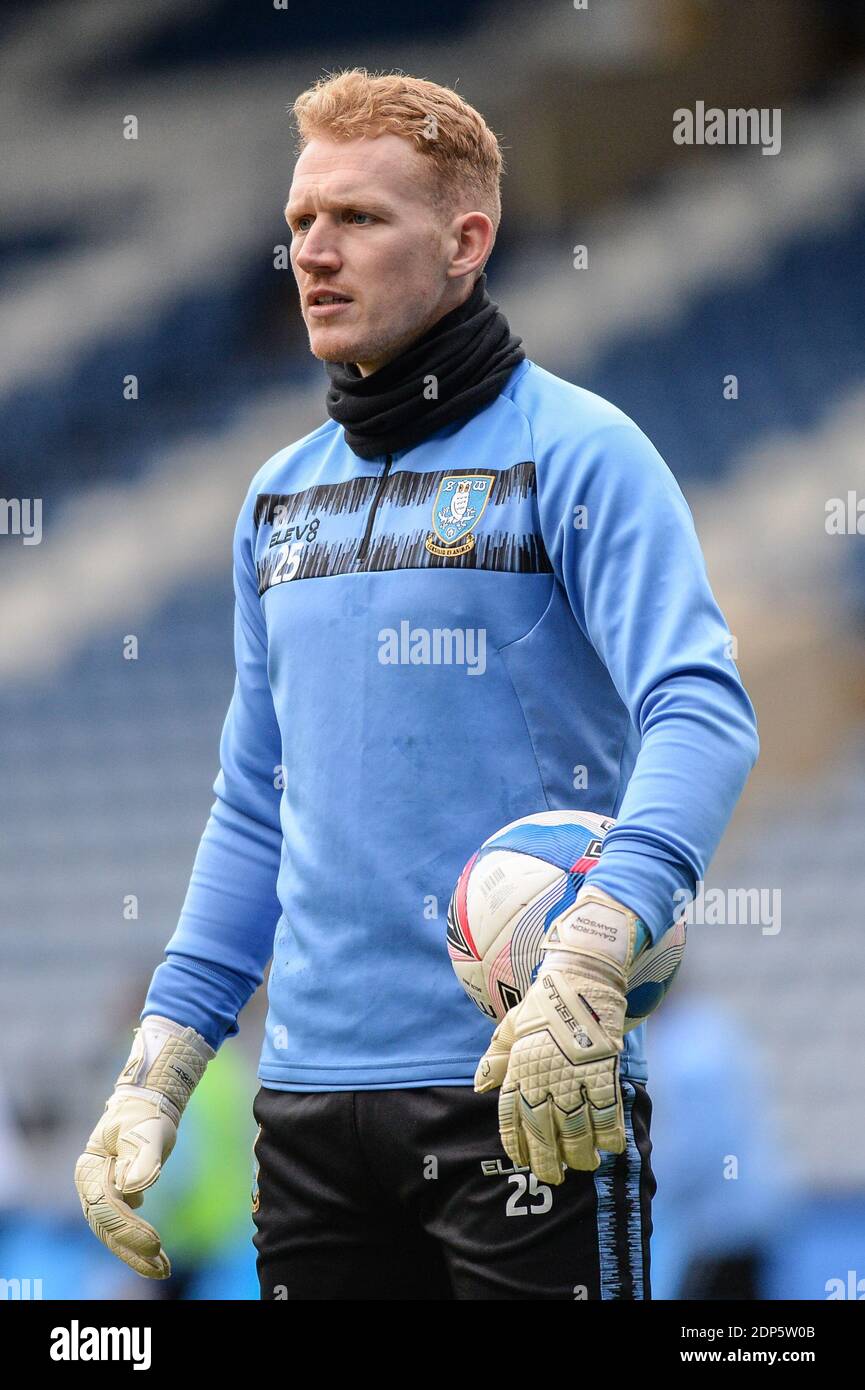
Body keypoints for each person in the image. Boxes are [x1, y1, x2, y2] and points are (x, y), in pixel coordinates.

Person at [74, 68, 759, 1301]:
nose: (313, 255)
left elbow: (700, 706)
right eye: (297, 225)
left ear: (466, 240)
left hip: (524, 1087)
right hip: (307, 1116)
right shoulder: (274, 496)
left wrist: (597, 947)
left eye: (357, 219)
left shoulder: (581, 452)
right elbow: (249, 804)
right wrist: (162, 1061)